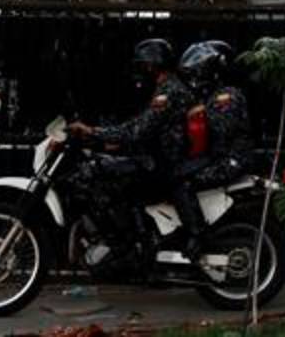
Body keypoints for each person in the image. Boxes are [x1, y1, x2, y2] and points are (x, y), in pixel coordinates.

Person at [64, 38, 194, 262]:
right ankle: (134, 238)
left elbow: (138, 129)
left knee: (92, 174)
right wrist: (109, 140)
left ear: (152, 65)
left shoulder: (169, 92)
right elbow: (143, 127)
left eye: (143, 65)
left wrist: (93, 132)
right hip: (157, 159)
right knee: (112, 177)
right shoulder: (166, 88)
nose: (140, 70)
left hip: (162, 164)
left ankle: (122, 243)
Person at [169, 40, 254, 260]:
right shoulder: (210, 96)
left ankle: (197, 235)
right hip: (214, 156)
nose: (195, 78)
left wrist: (196, 113)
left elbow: (221, 128)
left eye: (199, 71)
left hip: (230, 159)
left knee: (182, 183)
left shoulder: (228, 96)